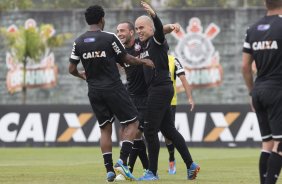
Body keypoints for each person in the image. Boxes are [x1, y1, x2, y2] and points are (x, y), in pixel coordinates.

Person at [68, 5, 154, 182]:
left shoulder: (79, 41)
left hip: (94, 91)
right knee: (133, 123)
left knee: (105, 129)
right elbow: (127, 59)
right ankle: (122, 161)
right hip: (113, 88)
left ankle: (109, 170)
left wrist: (82, 75)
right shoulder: (109, 38)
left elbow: (71, 68)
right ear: (102, 19)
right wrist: (143, 62)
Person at [135, 1, 200, 180]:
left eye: (142, 27)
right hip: (159, 90)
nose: (139, 31)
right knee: (169, 130)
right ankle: (191, 165)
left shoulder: (156, 41)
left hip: (160, 89)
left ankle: (152, 172)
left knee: (149, 131)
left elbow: (159, 29)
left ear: (150, 28)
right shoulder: (143, 46)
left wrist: (154, 16)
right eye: (136, 28)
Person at [115, 21, 181, 181]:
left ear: (132, 32)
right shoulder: (120, 51)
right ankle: (143, 169)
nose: (119, 34)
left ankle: (125, 165)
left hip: (148, 96)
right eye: (117, 31)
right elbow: (116, 66)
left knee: (140, 132)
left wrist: (170, 26)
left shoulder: (142, 42)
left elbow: (159, 33)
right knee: (131, 133)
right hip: (131, 96)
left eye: (123, 30)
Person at [242, 0, 282, 183]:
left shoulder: (253, 29)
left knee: (268, 143)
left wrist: (252, 92)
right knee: (280, 143)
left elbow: (245, 67)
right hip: (277, 91)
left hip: (258, 91)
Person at [165, 55, 195, 175]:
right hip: (152, 101)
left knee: (168, 134)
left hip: (170, 102)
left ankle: (171, 159)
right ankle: (150, 169)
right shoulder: (149, 57)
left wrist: (190, 98)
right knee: (149, 133)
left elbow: (183, 79)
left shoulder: (173, 60)